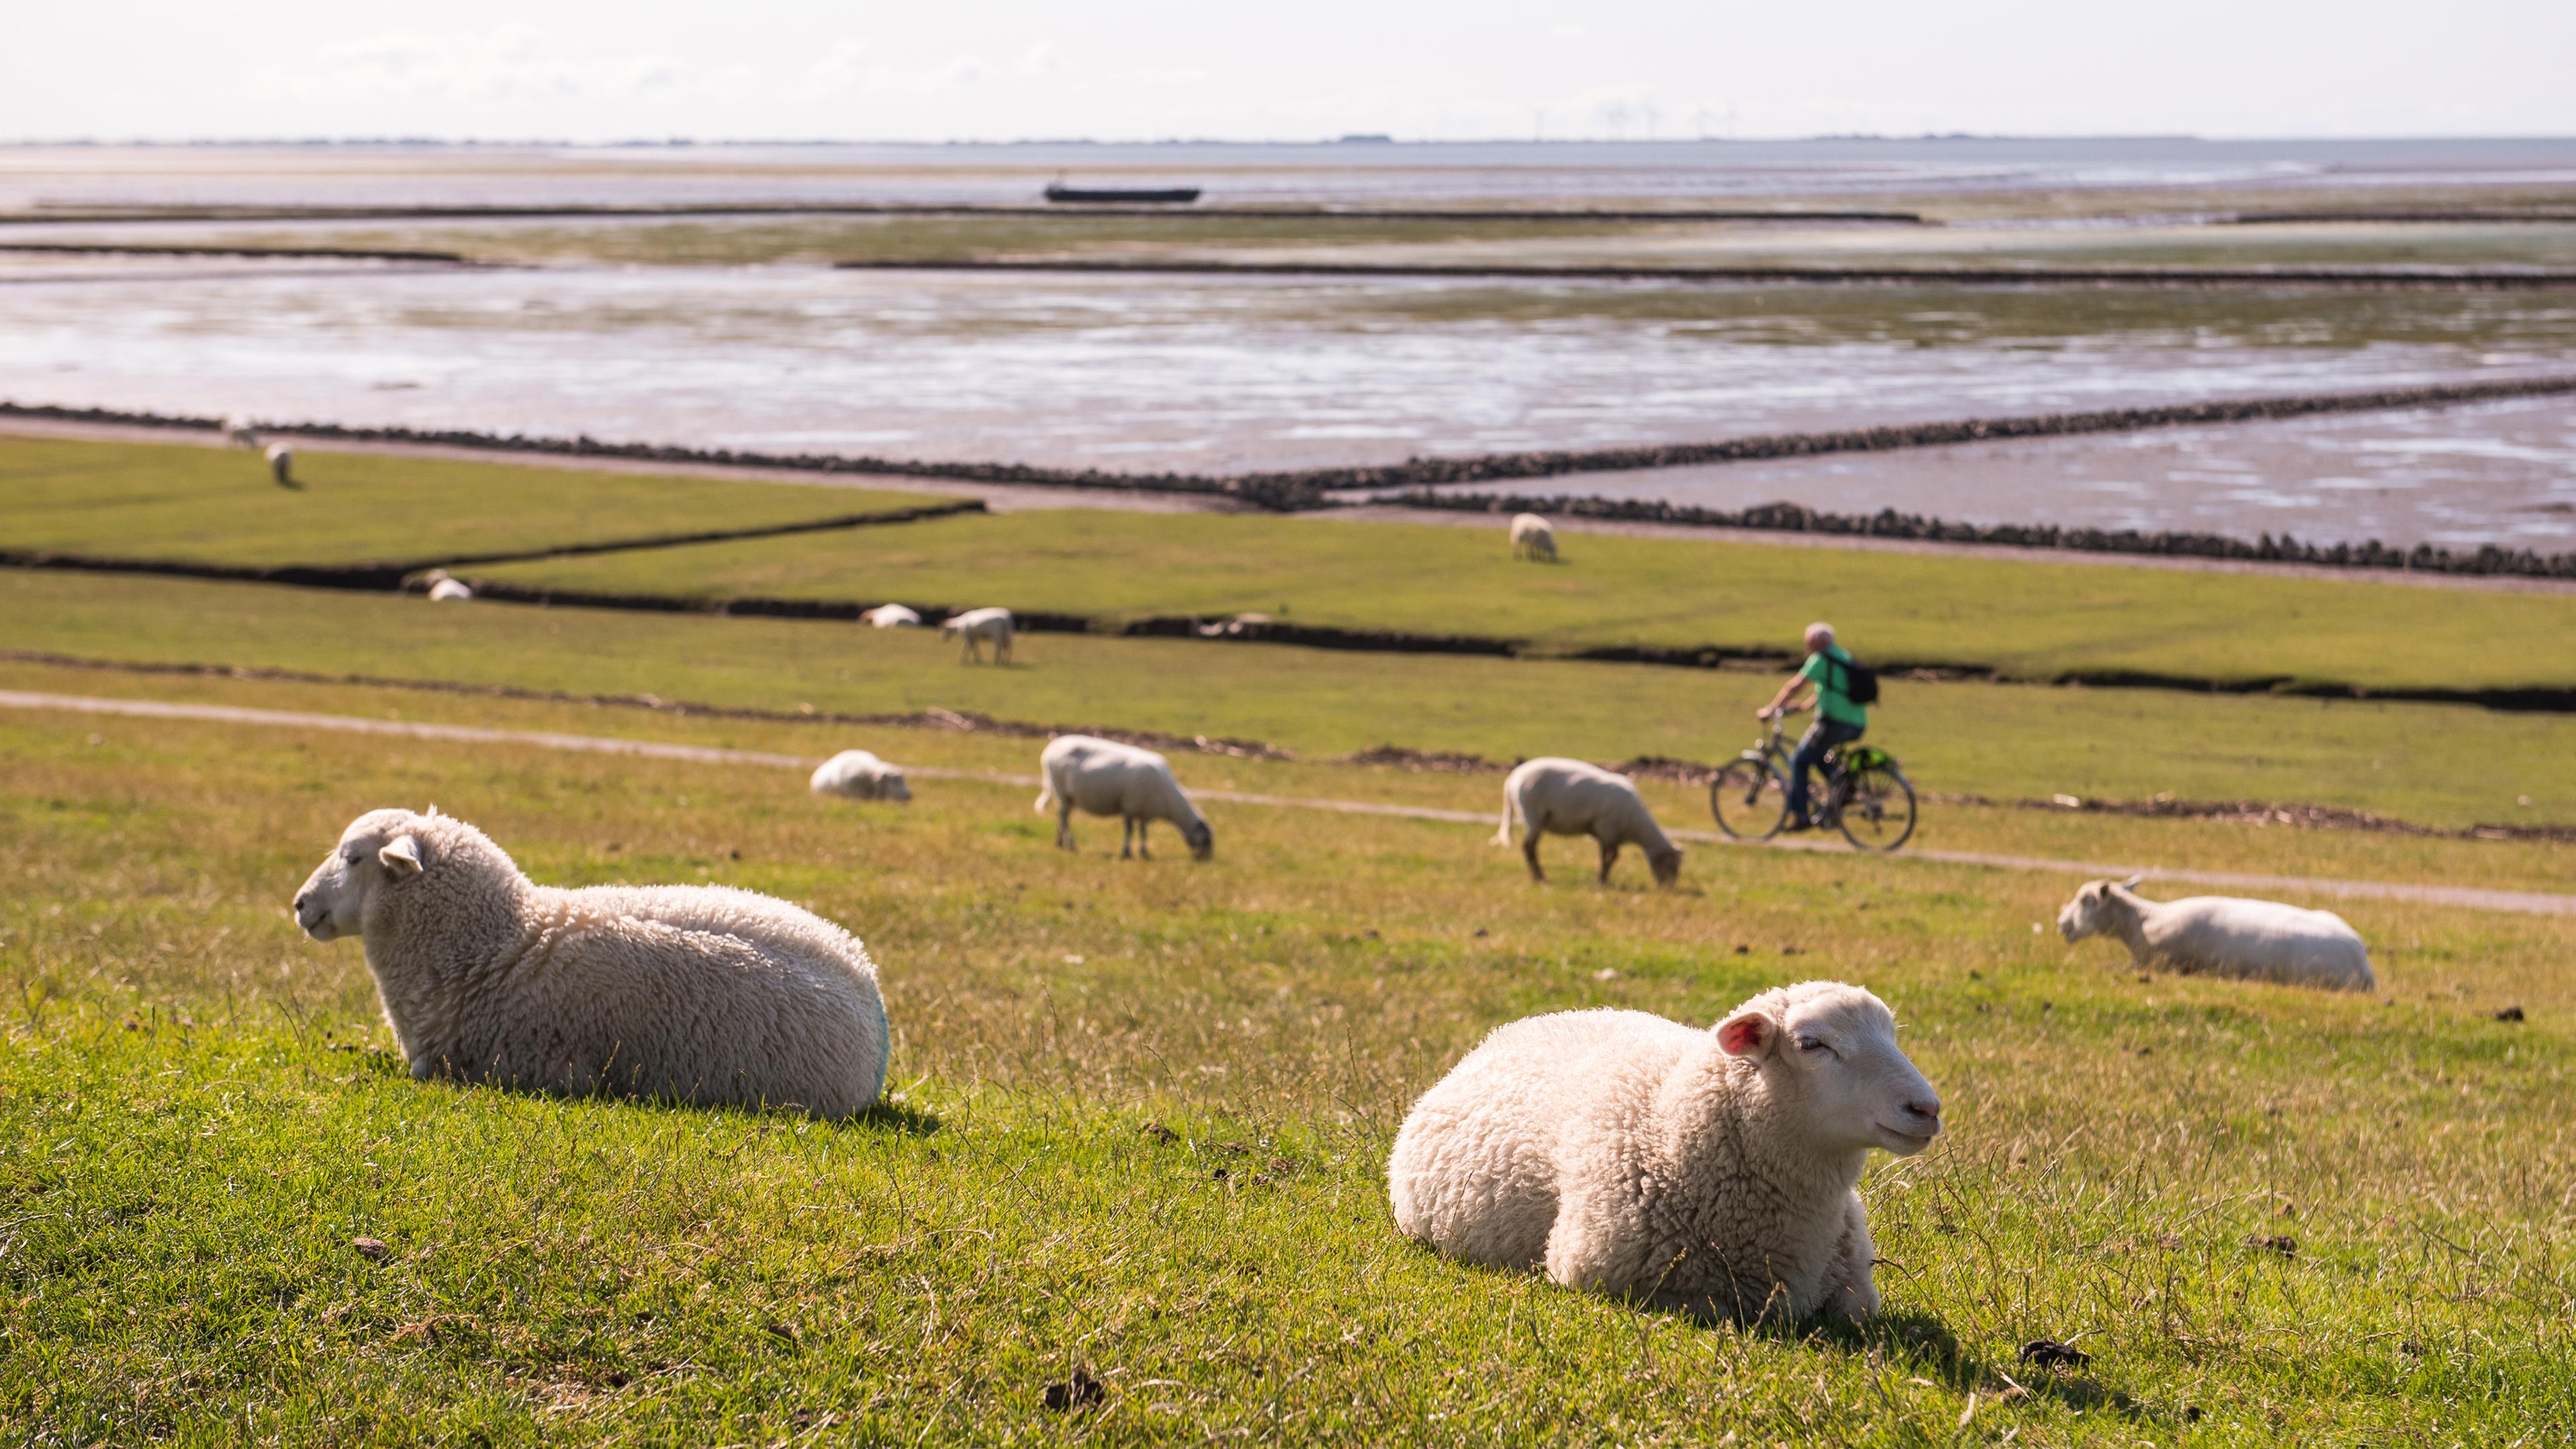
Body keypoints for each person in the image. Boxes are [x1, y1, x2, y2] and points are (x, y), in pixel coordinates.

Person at [1757, 622, 1867, 833]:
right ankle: (1844, 789)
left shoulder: (1820, 658)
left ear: (1818, 642)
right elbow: (1831, 688)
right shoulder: (1842, 656)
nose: (1807, 647)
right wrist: (1805, 707)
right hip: (1856, 723)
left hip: (1834, 722)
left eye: (1809, 642)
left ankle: (1801, 815)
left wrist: (1771, 710)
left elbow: (1795, 686)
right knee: (1816, 756)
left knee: (1798, 760)